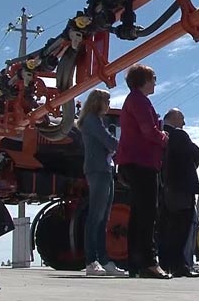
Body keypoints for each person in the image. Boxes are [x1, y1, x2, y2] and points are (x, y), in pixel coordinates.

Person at [115, 64, 170, 279]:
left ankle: (135, 263)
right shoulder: (139, 101)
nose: (155, 82)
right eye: (153, 78)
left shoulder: (133, 100)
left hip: (134, 162)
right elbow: (149, 132)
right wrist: (164, 137)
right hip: (142, 163)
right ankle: (149, 263)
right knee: (147, 214)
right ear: (144, 80)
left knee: (138, 214)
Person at [79, 89, 127, 277]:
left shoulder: (97, 120)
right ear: (97, 102)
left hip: (105, 170)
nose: (108, 105)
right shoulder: (91, 120)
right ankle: (91, 261)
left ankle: (104, 259)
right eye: (106, 101)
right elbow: (109, 142)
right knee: (95, 217)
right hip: (97, 169)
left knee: (104, 218)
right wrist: (124, 147)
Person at [160, 108, 199, 277]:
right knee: (181, 227)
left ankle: (167, 264)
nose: (184, 123)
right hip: (181, 187)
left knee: (167, 228)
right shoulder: (179, 134)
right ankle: (179, 266)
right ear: (175, 117)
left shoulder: (160, 133)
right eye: (183, 118)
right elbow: (197, 153)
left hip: (164, 186)